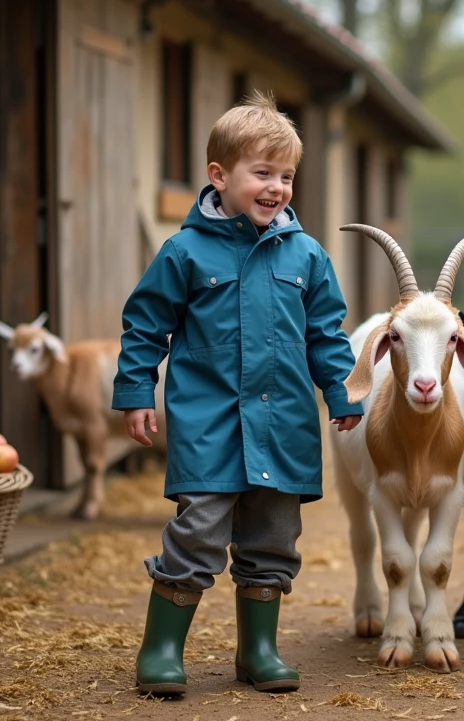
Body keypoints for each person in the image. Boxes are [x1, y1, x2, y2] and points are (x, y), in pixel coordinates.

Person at [111, 91, 363, 697]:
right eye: (263, 173)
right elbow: (145, 326)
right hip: (210, 424)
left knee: (273, 539)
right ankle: (161, 650)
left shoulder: (308, 256)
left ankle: (258, 651)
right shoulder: (184, 252)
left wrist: (342, 393)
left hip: (283, 426)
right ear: (219, 176)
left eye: (287, 176)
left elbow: (326, 334)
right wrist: (136, 391)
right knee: (197, 531)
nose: (277, 187)